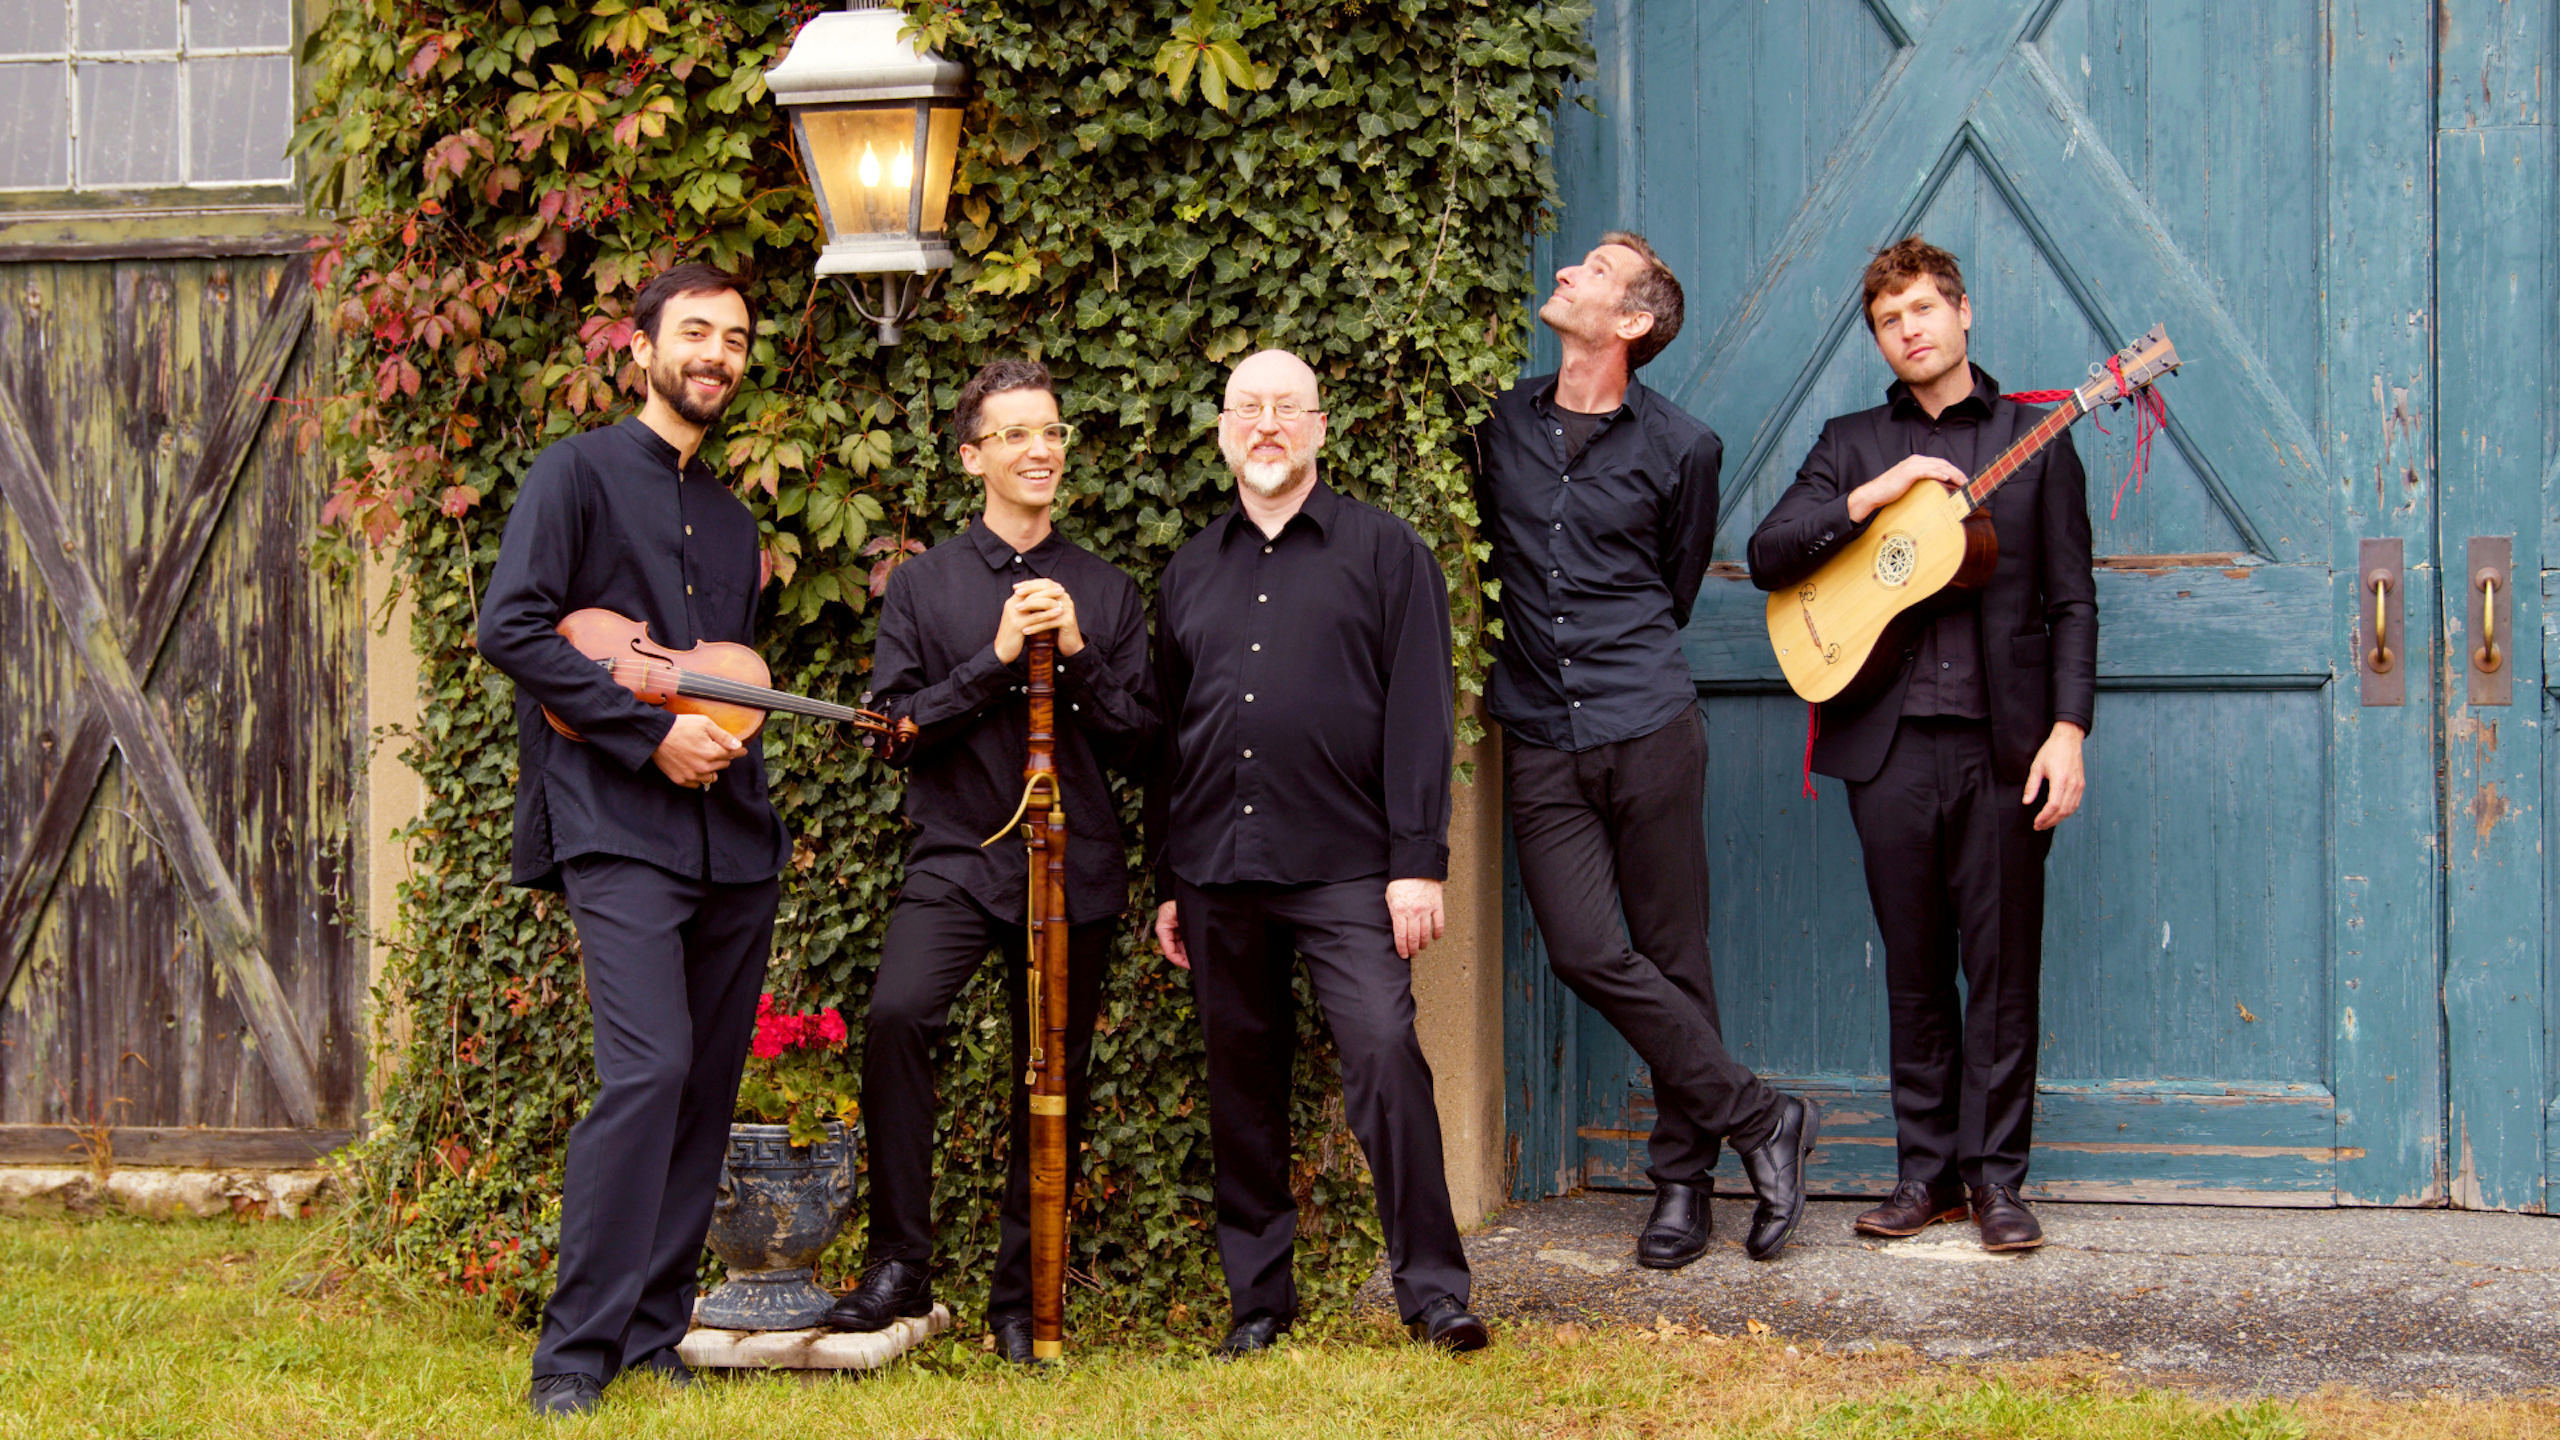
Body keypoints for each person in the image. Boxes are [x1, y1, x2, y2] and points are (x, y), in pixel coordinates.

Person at [1473, 232, 1825, 1267]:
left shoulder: (1685, 448)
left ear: (1632, 323)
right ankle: (1761, 1117)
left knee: (1674, 954)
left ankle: (1681, 1186)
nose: (1567, 274)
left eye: (1593, 270)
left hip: (1649, 727)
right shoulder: (1498, 422)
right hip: (1538, 731)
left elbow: (1669, 592)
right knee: (1586, 948)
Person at [477, 263, 790, 1417]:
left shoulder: (734, 515)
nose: (716, 353)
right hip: (617, 824)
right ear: (643, 348)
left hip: (731, 841)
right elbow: (512, 627)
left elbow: (712, 690)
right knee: (648, 1069)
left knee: (704, 1085)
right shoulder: (575, 473)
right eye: (696, 331)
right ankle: (572, 1354)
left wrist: (709, 735)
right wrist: (641, 740)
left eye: (736, 338)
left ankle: (656, 1332)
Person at [1745, 236, 2096, 1252]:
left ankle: (1997, 1184)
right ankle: (1922, 1175)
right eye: (1889, 319)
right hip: (1886, 747)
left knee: (2000, 969)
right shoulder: (1852, 442)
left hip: (2005, 747)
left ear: (1963, 312)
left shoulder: (2038, 439)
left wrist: (2067, 731)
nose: (1909, 330)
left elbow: (2072, 603)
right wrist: (1871, 496)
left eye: (1924, 310)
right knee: (1912, 966)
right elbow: (1770, 554)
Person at [1150, 349, 1488, 1356]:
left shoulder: (1387, 553)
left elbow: (1423, 715)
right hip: (1215, 869)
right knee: (1238, 1082)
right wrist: (1170, 879)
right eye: (1247, 408)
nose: (1266, 425)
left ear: (1319, 428)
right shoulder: (1188, 568)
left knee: (1383, 1054)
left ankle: (1432, 1292)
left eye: (1285, 409)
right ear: (1221, 430)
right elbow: (1172, 736)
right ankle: (1257, 1304)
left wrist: (1416, 858)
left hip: (1348, 865)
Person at [824, 359, 1154, 1362]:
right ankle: (900, 1265)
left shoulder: (1105, 587)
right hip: (961, 857)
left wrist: (1084, 656)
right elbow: (894, 729)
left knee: (1050, 1077)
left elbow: (1146, 745)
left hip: (1077, 866)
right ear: (974, 457)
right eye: (1014, 434)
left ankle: (1025, 1298)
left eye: (1050, 431)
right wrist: (997, 658)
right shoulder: (924, 586)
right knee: (897, 1017)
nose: (1039, 449)